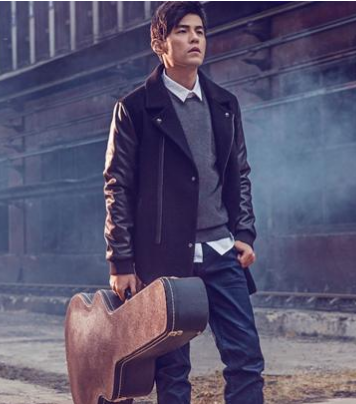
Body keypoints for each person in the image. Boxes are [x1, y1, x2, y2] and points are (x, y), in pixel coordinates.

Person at [103, 2, 265, 403]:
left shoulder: (224, 104)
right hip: (165, 258)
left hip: (222, 251)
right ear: (160, 43)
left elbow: (240, 173)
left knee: (246, 359)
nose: (194, 39)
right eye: (182, 31)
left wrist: (244, 232)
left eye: (199, 31)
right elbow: (117, 186)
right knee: (173, 371)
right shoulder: (135, 109)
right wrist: (121, 261)